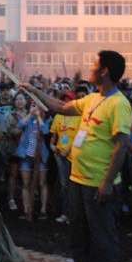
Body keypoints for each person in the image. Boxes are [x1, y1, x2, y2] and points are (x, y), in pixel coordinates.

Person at [22, 50, 131, 262]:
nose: (92, 67)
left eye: (96, 64)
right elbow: (59, 107)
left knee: (102, 236)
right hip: (78, 179)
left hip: (98, 183)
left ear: (105, 71)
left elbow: (121, 145)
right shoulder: (93, 99)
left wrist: (107, 182)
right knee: (79, 233)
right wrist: (33, 91)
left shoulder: (119, 104)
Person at [50, 90, 81, 224]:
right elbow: (53, 138)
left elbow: (81, 137)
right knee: (63, 185)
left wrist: (68, 149)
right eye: (64, 99)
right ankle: (65, 213)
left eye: (69, 99)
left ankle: (74, 214)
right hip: (59, 155)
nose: (66, 102)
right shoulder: (58, 117)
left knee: (74, 185)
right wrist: (53, 147)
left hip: (73, 156)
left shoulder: (79, 116)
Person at [15, 99, 43, 221]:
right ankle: (26, 210)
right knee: (25, 183)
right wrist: (30, 114)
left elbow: (45, 130)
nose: (34, 107)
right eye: (32, 105)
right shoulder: (28, 117)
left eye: (36, 105)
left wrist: (39, 116)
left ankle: (42, 210)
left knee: (41, 184)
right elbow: (20, 125)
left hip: (40, 156)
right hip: (26, 155)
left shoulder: (45, 118)